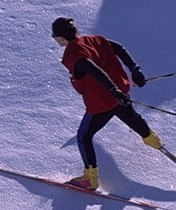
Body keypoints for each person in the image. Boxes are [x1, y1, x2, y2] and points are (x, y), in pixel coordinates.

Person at [51, 17, 162, 190]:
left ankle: (90, 178)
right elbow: (118, 48)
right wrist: (135, 70)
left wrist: (111, 90)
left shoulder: (73, 55)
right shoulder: (93, 40)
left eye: (55, 37)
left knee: (84, 136)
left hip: (101, 102)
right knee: (131, 117)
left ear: (60, 38)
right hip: (119, 95)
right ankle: (153, 140)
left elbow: (94, 70)